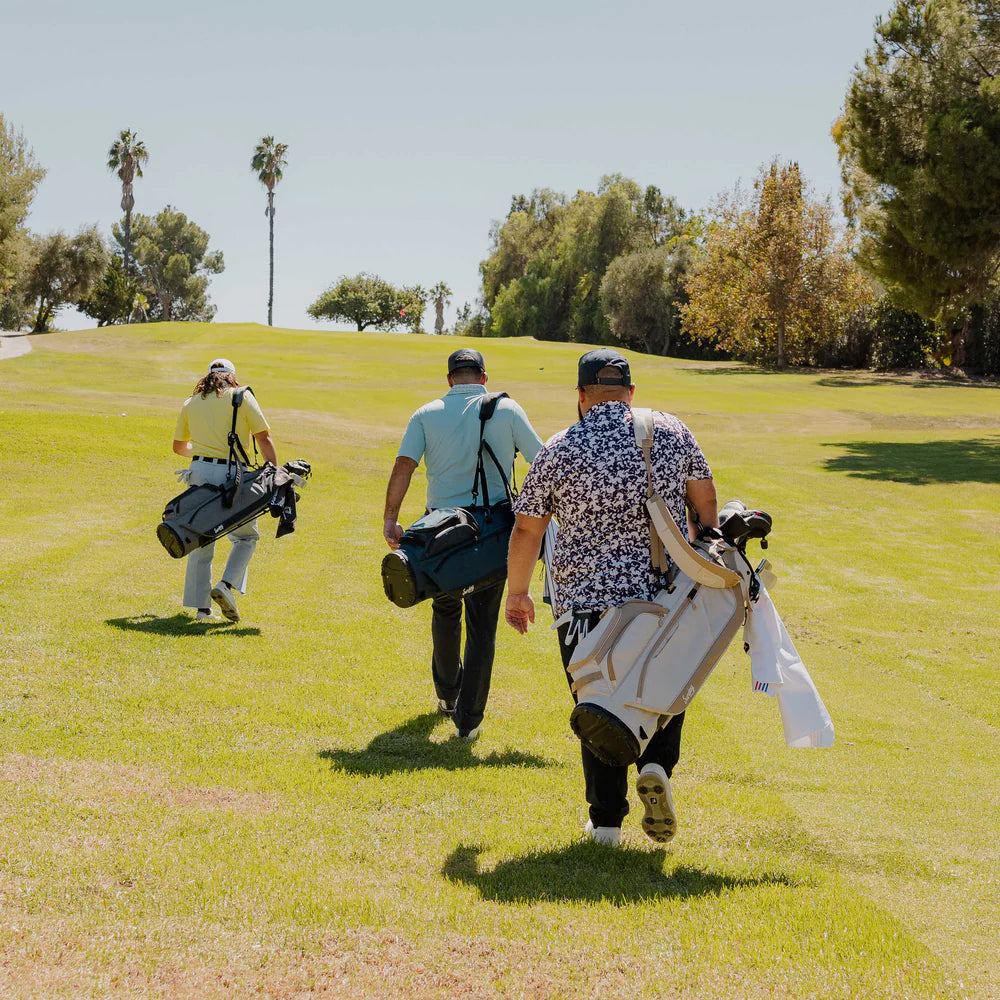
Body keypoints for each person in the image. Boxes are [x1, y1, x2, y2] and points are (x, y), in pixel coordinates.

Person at [504, 348, 720, 846]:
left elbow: (527, 530)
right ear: (630, 392)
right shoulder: (671, 430)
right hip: (663, 595)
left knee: (597, 705)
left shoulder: (559, 448)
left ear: (582, 395)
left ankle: (605, 824)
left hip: (584, 604)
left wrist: (518, 594)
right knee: (663, 682)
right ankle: (657, 765)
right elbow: (706, 501)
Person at [383, 348, 544, 740]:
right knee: (482, 626)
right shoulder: (507, 409)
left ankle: (447, 694)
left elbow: (404, 465)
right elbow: (541, 462)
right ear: (484, 377)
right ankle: (468, 722)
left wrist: (390, 517)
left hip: (437, 531)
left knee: (444, 610)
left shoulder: (425, 413)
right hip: (491, 533)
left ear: (449, 378)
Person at [172, 358, 278, 623]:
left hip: (198, 473)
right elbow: (263, 438)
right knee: (245, 536)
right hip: (233, 476)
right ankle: (226, 586)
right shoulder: (241, 397)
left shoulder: (191, 403)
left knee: (200, 539)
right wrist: (274, 474)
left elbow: (179, 447)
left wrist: (204, 453)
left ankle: (202, 611)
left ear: (208, 377)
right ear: (231, 376)